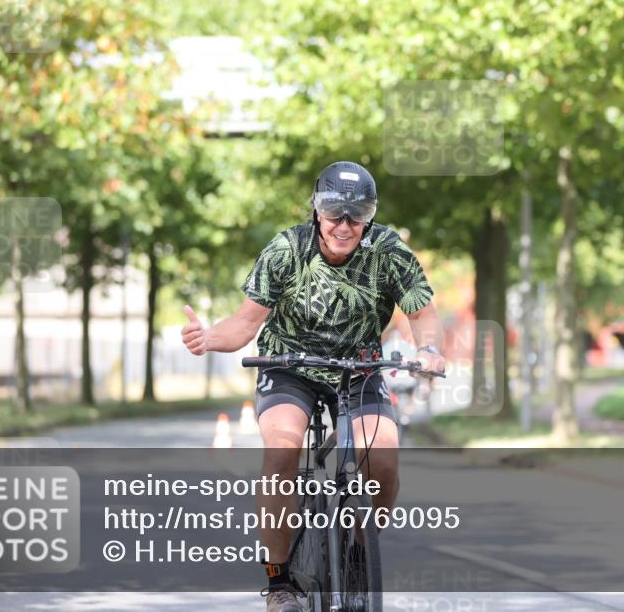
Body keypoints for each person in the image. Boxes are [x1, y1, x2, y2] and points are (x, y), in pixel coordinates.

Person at [181, 161, 445, 612]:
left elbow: (422, 314)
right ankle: (279, 581)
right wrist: (209, 339)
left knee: (383, 454)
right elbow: (245, 322)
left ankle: (362, 544)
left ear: (370, 216)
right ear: (317, 210)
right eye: (334, 213)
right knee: (283, 449)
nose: (344, 226)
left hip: (358, 367)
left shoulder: (387, 251)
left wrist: (431, 349)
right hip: (290, 365)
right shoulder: (288, 248)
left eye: (355, 215)